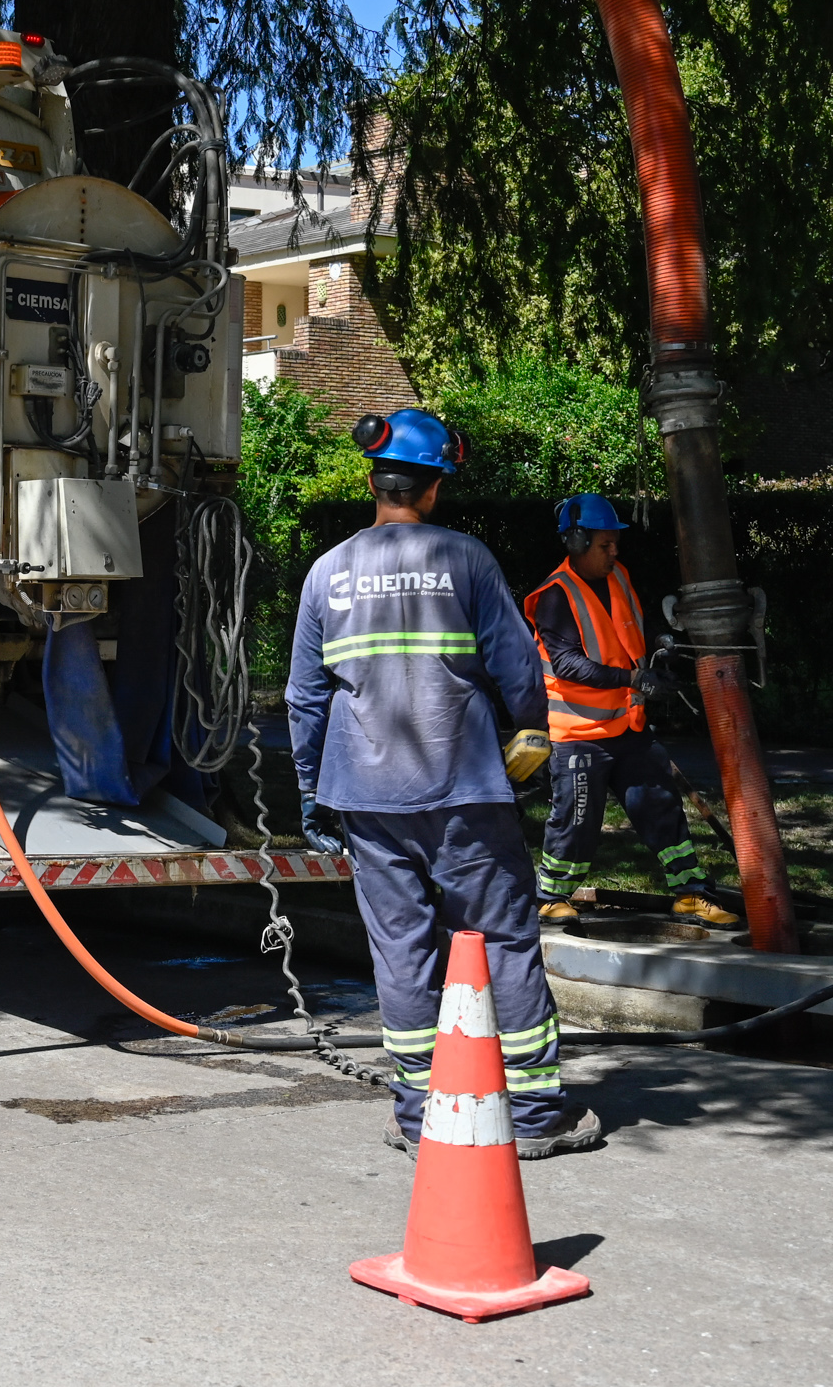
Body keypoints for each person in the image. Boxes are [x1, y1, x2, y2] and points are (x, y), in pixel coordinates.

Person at [285, 409, 605, 1159]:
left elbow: (305, 698)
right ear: (433, 490)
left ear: (374, 482)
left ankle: (416, 1110)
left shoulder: (326, 572)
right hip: (464, 789)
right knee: (503, 942)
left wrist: (311, 790)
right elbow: (521, 674)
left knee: (401, 951)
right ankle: (531, 1114)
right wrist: (528, 742)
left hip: (365, 796)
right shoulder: (465, 559)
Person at [524, 494, 734, 923]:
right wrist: (634, 680)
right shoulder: (555, 595)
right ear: (577, 542)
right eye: (605, 544)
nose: (615, 551)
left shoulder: (618, 577)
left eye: (615, 543)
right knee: (577, 821)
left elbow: (631, 635)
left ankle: (690, 891)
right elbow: (567, 663)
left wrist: (660, 658)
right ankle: (550, 897)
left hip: (628, 726)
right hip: (579, 735)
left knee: (660, 804)